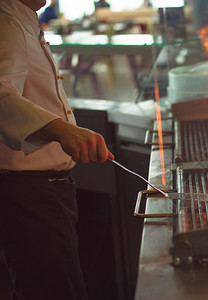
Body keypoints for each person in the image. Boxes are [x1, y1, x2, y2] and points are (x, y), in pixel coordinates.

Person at [0, 0, 114, 299]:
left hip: (45, 190)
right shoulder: (7, 22)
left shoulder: (22, 19)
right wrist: (64, 130)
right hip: (29, 193)